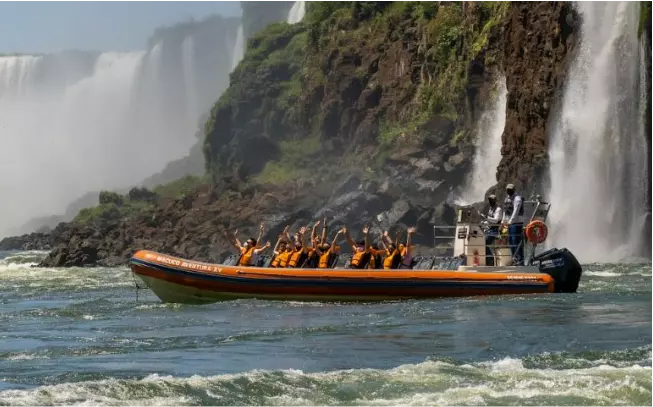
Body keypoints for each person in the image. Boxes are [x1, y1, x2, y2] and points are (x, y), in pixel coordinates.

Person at [502, 183, 525, 265]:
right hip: (510, 224)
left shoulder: (517, 198)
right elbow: (505, 211)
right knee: (511, 242)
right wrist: (503, 221)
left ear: (513, 190)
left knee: (516, 241)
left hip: (516, 224)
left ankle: (520, 261)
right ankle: (514, 259)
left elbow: (516, 211)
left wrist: (510, 221)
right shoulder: (507, 199)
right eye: (507, 189)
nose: (508, 191)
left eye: (510, 189)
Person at [482, 194, 503, 266]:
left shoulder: (498, 209)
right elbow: (489, 221)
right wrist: (483, 223)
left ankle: (490, 259)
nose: (490, 201)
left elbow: (496, 220)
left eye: (491, 200)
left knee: (483, 242)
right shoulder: (491, 209)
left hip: (495, 231)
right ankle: (486, 259)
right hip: (489, 230)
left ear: (495, 201)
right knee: (480, 240)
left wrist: (486, 217)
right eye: (489, 200)